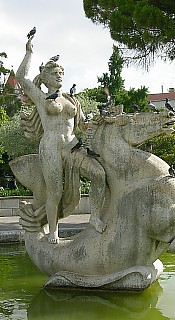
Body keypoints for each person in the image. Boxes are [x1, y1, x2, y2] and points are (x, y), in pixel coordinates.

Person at [16, 37, 107, 243]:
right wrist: (29, 52)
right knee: (55, 192)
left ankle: (94, 217)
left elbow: (82, 125)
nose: (59, 76)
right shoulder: (41, 98)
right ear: (45, 79)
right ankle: (53, 230)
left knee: (98, 174)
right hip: (51, 147)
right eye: (55, 73)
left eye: (61, 73)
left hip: (73, 146)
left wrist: (95, 121)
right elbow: (21, 78)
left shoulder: (72, 99)